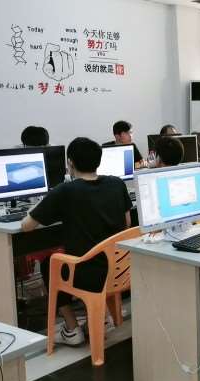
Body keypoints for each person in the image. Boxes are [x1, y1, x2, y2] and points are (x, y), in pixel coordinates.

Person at [21, 138, 132, 345]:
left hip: (88, 275)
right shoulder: (117, 184)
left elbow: (27, 226)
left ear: (70, 163)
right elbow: (127, 223)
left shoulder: (65, 190)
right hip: (120, 270)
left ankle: (72, 328)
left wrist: (35, 208)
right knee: (82, 255)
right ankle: (99, 318)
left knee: (49, 263)